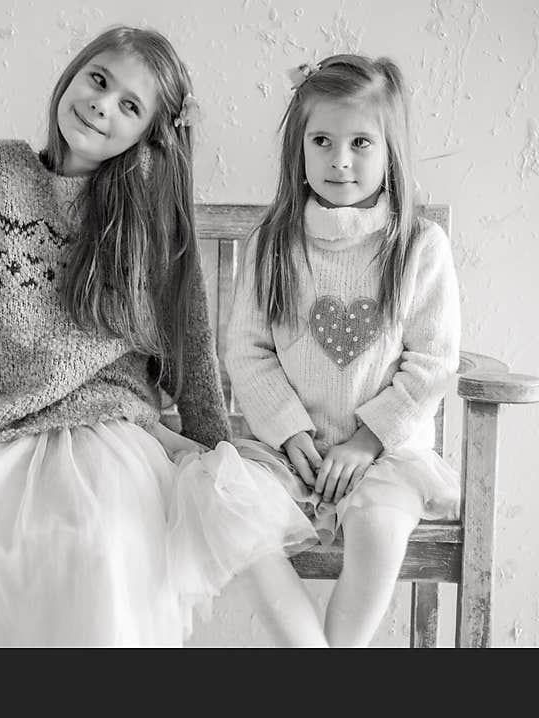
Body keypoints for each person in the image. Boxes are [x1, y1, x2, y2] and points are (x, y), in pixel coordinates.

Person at [0, 26, 324, 648]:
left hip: (112, 430)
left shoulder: (144, 203)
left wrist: (212, 447)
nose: (103, 105)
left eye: (130, 106)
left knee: (99, 541)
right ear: (73, 73)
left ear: (148, 133)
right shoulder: (3, 171)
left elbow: (188, 340)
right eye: (99, 81)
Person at [225, 54, 461, 647]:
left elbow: (432, 363)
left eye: (361, 141)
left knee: (380, 530)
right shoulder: (273, 245)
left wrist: (365, 440)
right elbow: (248, 353)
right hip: (292, 453)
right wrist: (290, 433)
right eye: (322, 140)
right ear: (298, 150)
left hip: (384, 455)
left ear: (390, 152)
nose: (340, 159)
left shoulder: (418, 247)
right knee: (229, 509)